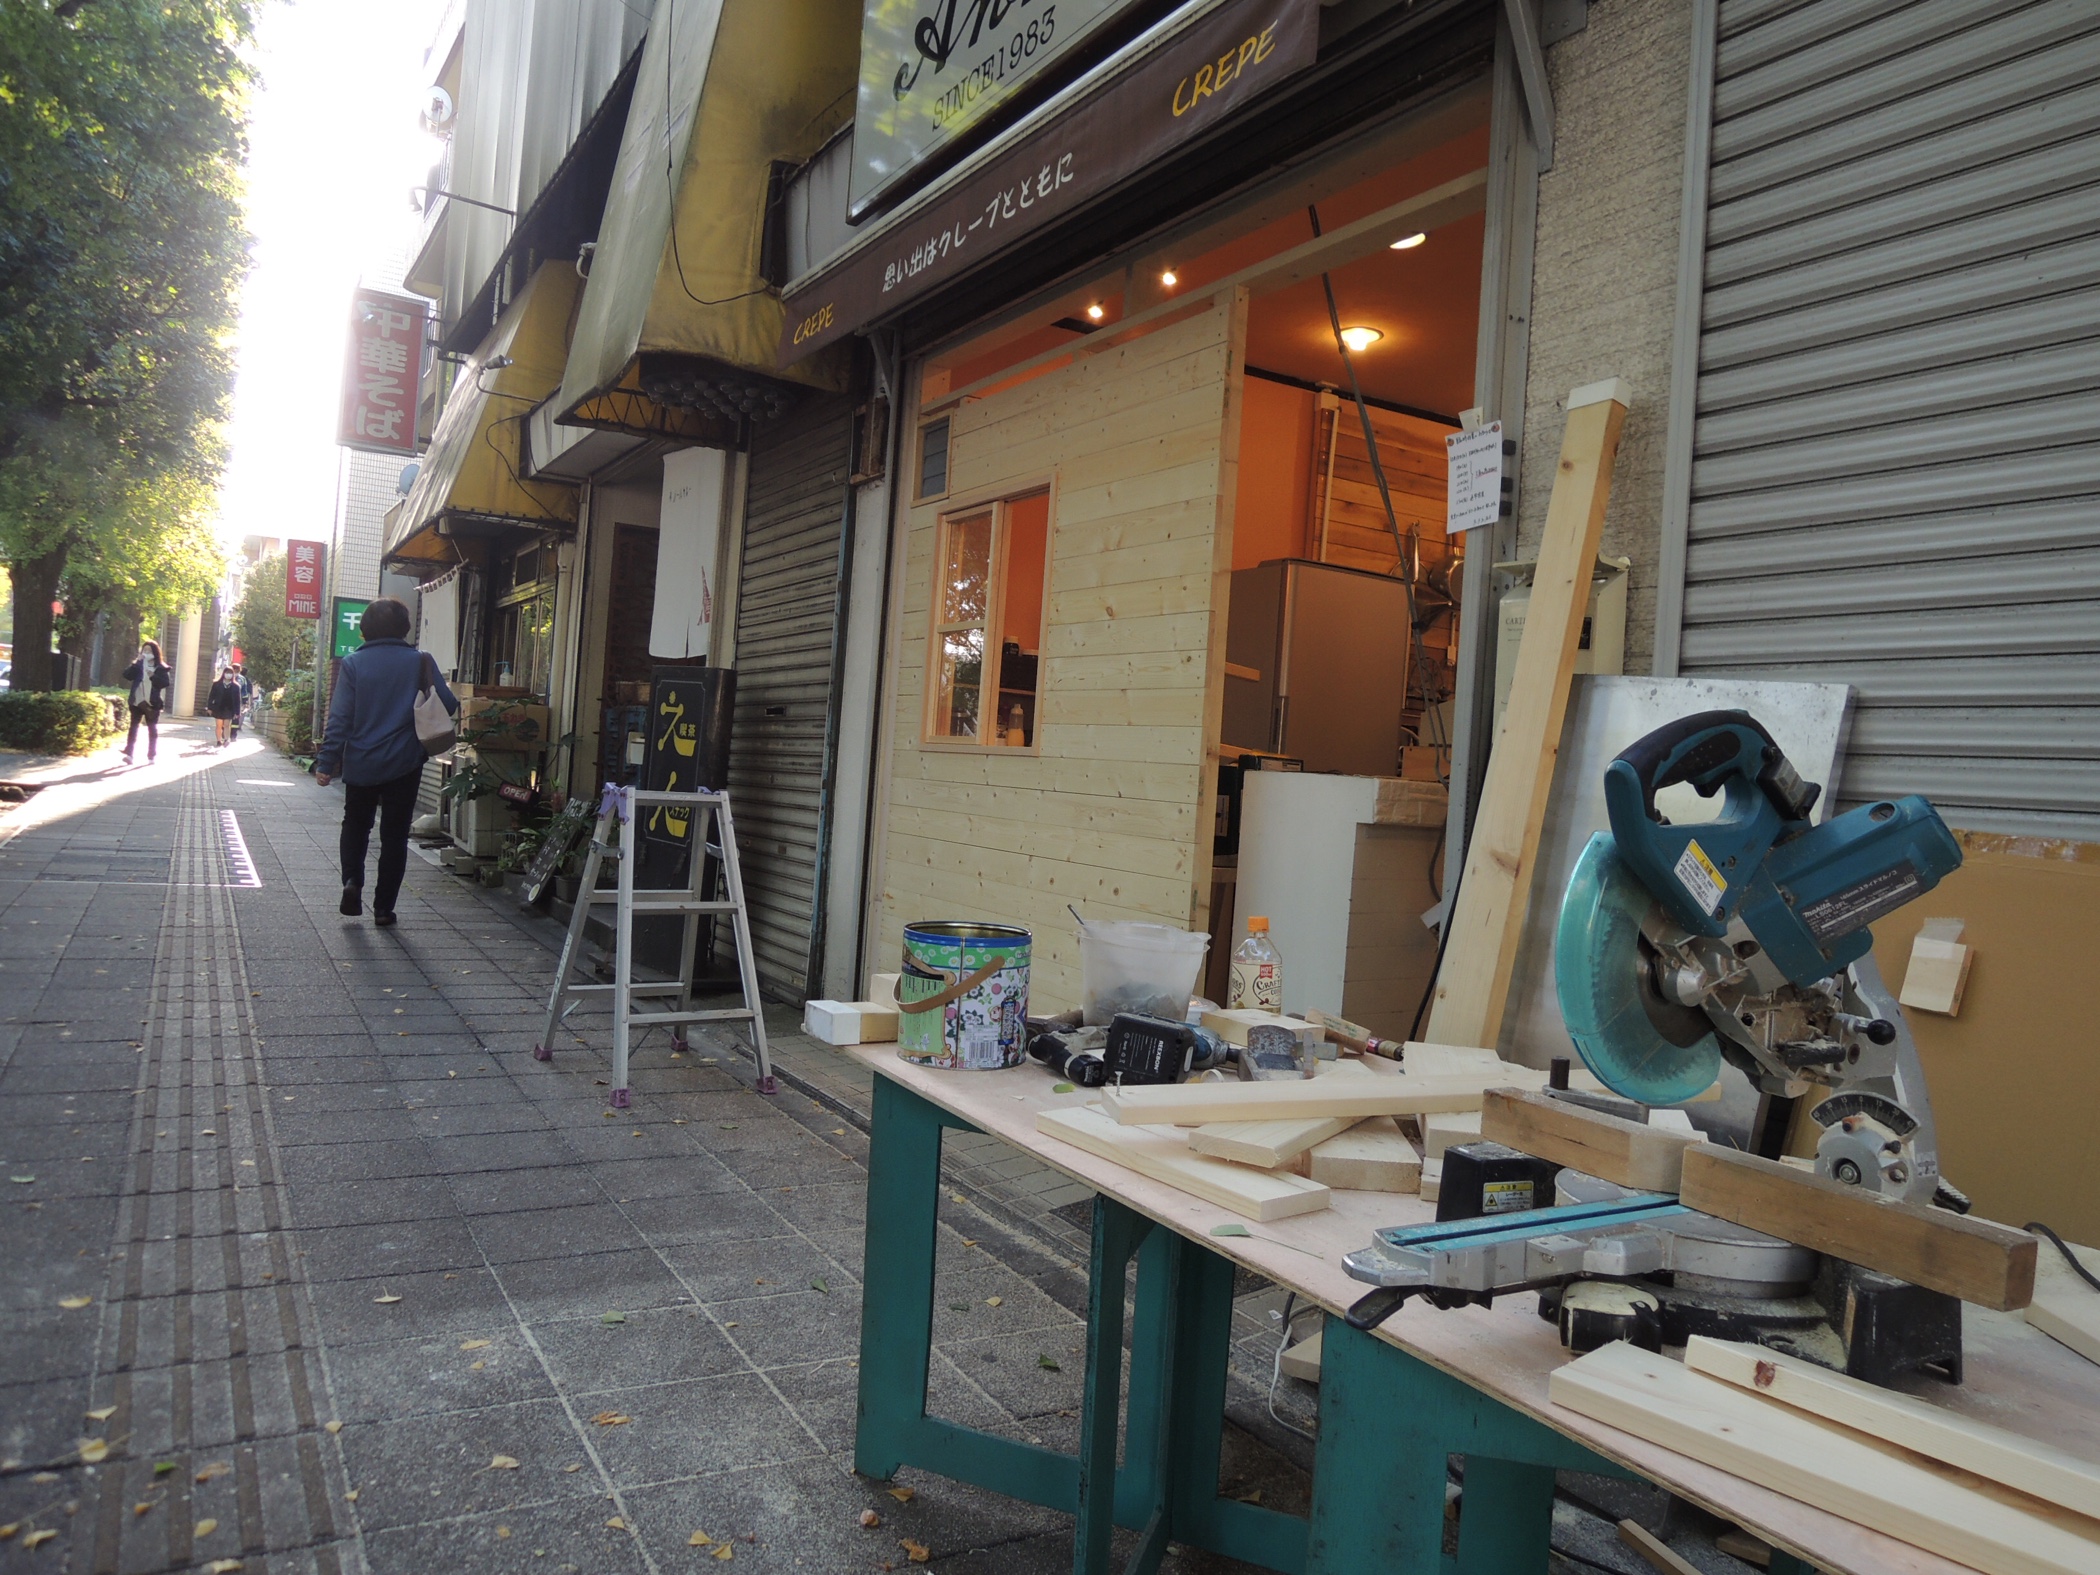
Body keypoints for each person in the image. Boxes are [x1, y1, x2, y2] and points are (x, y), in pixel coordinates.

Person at [313, 597, 455, 927]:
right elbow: (448, 703)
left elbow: (340, 717)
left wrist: (326, 762)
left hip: (361, 762)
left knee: (355, 826)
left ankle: (352, 881)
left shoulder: (353, 664)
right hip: (405, 763)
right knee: (394, 836)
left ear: (365, 629)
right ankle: (383, 909)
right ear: (404, 627)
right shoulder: (420, 661)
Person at [120, 640, 172, 764]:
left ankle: (151, 755)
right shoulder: (138, 665)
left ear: (155, 652)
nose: (146, 653)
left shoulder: (161, 667)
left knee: (152, 729)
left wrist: (153, 676)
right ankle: (129, 754)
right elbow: (127, 675)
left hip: (152, 703)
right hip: (137, 701)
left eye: (149, 650)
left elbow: (165, 683)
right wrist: (136, 662)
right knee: (133, 727)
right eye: (144, 650)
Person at [206, 666, 243, 747]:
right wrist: (209, 707)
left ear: (233, 674)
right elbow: (211, 696)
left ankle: (226, 739)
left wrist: (237, 712)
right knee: (219, 725)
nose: (228, 675)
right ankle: (219, 740)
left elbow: (238, 700)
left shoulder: (236, 686)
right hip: (218, 707)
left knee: (227, 725)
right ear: (223, 673)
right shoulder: (216, 684)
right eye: (227, 673)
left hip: (229, 708)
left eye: (230, 673)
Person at [231, 663, 253, 740]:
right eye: (234, 669)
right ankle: (226, 733)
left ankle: (233, 734)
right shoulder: (227, 677)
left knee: (236, 717)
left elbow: (244, 691)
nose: (235, 671)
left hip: (238, 701)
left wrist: (244, 701)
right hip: (228, 700)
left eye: (237, 669)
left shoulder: (242, 679)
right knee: (227, 717)